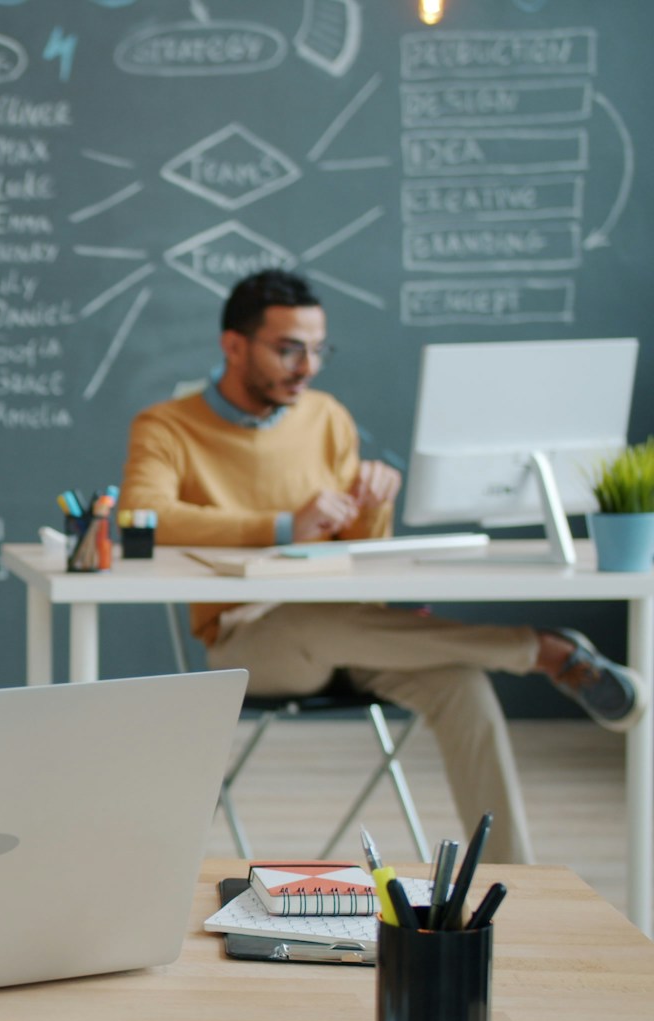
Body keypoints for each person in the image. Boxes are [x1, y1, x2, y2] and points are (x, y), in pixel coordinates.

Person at [119, 268, 645, 865]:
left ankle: (515, 882)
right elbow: (144, 515)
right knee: (308, 623)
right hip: (249, 639)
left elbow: (355, 549)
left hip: (355, 628)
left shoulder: (327, 418)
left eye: (318, 350)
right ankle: (540, 650)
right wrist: (284, 525)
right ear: (234, 346)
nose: (307, 366)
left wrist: (376, 502)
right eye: (289, 348)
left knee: (462, 686)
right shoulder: (166, 426)